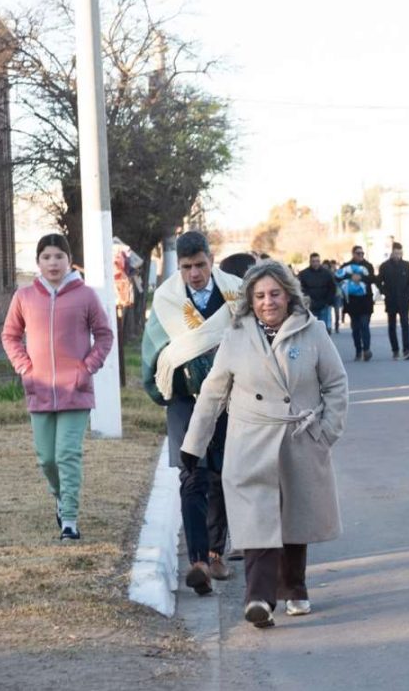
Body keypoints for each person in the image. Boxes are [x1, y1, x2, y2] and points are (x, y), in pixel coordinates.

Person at [180, 260, 348, 628]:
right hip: (250, 441)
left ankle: (295, 586)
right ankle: (259, 598)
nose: (268, 302)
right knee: (256, 519)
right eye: (259, 296)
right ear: (249, 301)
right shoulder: (236, 336)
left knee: (294, 519)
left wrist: (326, 432)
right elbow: (212, 393)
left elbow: (336, 384)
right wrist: (193, 444)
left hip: (299, 438)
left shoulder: (313, 331)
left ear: (289, 295)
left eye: (274, 294)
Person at [141, 231, 245, 595]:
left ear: (211, 260)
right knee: (192, 477)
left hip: (229, 398)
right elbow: (154, 349)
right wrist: (165, 385)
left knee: (221, 476)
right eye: (187, 267)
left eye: (200, 265)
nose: (195, 274)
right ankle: (198, 561)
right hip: (186, 399)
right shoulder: (167, 299)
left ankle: (217, 552)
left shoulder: (236, 292)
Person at [1, 233, 114, 542]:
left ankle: (70, 520)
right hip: (38, 388)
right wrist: (24, 367)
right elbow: (10, 336)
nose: (53, 262)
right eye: (46, 257)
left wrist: (87, 367)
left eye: (58, 256)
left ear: (68, 260)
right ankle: (60, 497)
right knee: (46, 458)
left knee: (67, 454)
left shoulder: (86, 296)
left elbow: (104, 335)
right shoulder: (24, 297)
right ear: (38, 262)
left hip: (75, 390)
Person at [378, 242, 409, 360]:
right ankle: (395, 350)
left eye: (400, 253)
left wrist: (407, 292)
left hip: (404, 300)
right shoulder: (384, 266)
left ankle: (406, 349)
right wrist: (385, 292)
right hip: (391, 300)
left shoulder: (406, 265)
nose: (398, 255)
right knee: (392, 326)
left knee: (405, 324)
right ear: (392, 252)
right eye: (396, 253)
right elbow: (379, 281)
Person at [336, 262, 374, 360]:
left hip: (365, 303)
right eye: (358, 253)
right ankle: (358, 350)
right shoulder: (346, 266)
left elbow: (372, 279)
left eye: (362, 253)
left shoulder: (368, 266)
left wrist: (361, 278)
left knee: (365, 326)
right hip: (352, 304)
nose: (361, 255)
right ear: (354, 254)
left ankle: (366, 350)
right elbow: (338, 277)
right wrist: (351, 277)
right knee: (356, 329)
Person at [299, 252, 338, 333]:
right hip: (310, 305)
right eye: (313, 261)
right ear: (310, 262)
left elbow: (332, 287)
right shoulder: (304, 274)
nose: (316, 263)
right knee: (310, 330)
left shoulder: (327, 273)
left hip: (324, 304)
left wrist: (329, 301)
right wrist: (305, 300)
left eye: (317, 261)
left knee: (323, 329)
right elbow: (300, 288)